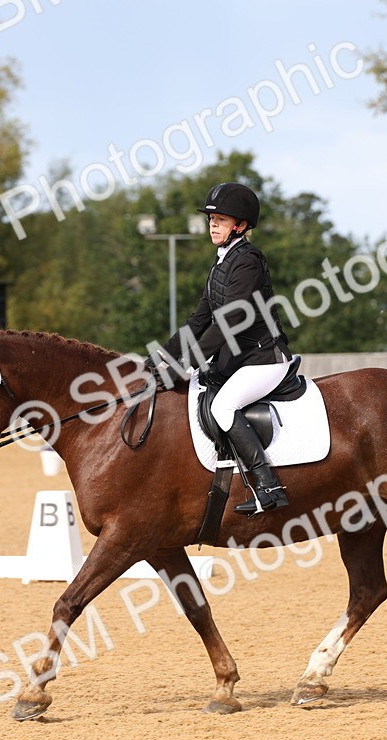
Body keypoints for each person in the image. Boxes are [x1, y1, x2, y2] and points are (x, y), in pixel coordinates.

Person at [143, 182, 291, 514]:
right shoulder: (221, 264)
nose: (212, 224)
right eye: (211, 218)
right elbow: (199, 320)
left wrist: (186, 363)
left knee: (222, 407)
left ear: (240, 225)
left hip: (264, 357)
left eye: (221, 219)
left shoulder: (248, 261)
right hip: (240, 360)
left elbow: (232, 318)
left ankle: (269, 486)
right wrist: (157, 358)